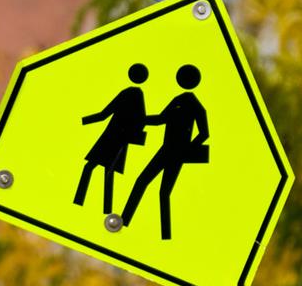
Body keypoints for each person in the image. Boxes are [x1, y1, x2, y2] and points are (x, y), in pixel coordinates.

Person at [121, 64, 209, 240]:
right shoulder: (178, 100)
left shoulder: (195, 105)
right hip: (165, 149)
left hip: (177, 153)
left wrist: (187, 149)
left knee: (163, 192)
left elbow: (204, 133)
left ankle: (165, 236)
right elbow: (161, 119)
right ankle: (123, 223)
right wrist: (141, 120)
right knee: (142, 181)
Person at [74, 63, 149, 214]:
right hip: (119, 140)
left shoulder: (128, 93)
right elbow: (141, 120)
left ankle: (79, 201)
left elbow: (104, 114)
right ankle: (105, 210)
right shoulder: (138, 95)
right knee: (108, 174)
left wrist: (81, 121)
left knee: (90, 168)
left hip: (111, 137)